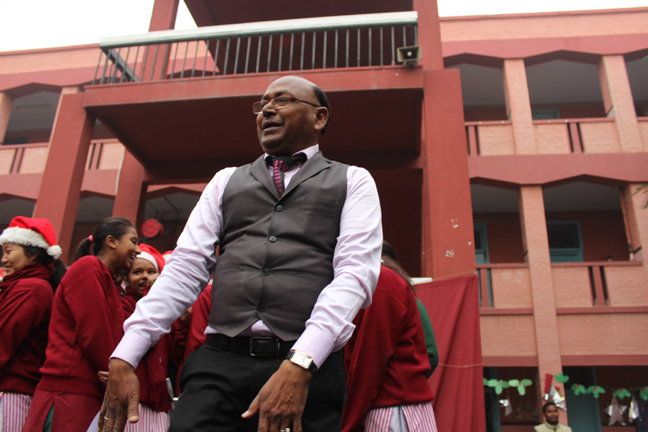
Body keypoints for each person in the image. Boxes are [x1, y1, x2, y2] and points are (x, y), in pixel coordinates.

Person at [100, 75, 383, 432]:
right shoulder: (225, 180)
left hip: (309, 367)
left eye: (282, 100)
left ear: (320, 117)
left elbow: (355, 274)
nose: (268, 109)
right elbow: (185, 268)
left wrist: (302, 362)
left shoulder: (354, 180)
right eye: (262, 104)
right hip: (219, 361)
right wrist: (126, 354)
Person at [23, 217, 140, 432]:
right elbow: (94, 333)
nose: (137, 250)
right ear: (111, 241)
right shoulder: (88, 267)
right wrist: (116, 370)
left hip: (86, 394)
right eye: (133, 241)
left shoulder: (108, 281)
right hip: (67, 395)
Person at [342, 254, 438, 432]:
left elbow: (371, 360)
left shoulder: (380, 280)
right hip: (391, 403)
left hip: (391, 406)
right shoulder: (374, 280)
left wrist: (350, 422)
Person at [0, 217, 66, 431]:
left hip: (12, 392)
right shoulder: (26, 285)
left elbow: (4, 337)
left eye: (9, 251)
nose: (4, 259)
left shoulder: (31, 287)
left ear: (33, 254)